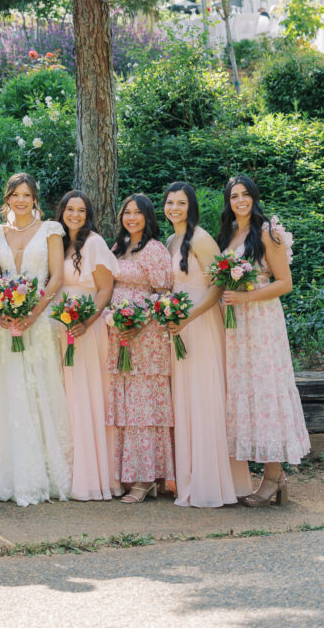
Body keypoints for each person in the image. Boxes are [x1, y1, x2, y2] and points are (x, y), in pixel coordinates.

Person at [0, 173, 72, 506]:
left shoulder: (51, 231)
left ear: (35, 199)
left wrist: (32, 314)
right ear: (7, 199)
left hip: (40, 322)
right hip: (4, 326)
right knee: (9, 390)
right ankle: (7, 474)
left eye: (27, 195)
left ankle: (43, 474)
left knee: (38, 389)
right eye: (15, 194)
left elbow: (57, 277)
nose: (21, 200)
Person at [217, 174, 309, 505]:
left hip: (261, 323)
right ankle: (267, 476)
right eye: (233, 196)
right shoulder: (229, 234)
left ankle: (273, 477)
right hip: (235, 326)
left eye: (245, 194)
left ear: (254, 197)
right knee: (244, 391)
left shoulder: (269, 233)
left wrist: (246, 298)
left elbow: (285, 283)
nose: (240, 200)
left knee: (263, 388)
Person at [163, 181, 237, 508]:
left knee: (203, 396)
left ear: (191, 207)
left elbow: (219, 286)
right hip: (178, 325)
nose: (174, 208)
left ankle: (211, 483)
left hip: (201, 322)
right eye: (170, 203)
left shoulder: (201, 238)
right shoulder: (170, 240)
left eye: (181, 203)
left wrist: (188, 316)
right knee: (185, 398)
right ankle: (188, 477)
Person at [107, 193, 174, 503]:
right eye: (127, 212)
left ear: (148, 217)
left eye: (138, 213)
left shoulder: (154, 249)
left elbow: (163, 294)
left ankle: (146, 478)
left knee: (143, 407)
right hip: (120, 336)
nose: (131, 217)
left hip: (146, 337)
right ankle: (130, 474)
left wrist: (137, 322)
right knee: (127, 406)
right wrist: (114, 318)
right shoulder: (119, 248)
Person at [56, 190, 119, 501]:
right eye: (70, 209)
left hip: (85, 327)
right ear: (62, 211)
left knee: (85, 395)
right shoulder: (59, 242)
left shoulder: (94, 243)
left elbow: (105, 290)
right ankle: (66, 471)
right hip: (60, 324)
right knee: (66, 397)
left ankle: (91, 476)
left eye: (81, 210)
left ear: (88, 214)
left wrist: (86, 321)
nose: (75, 215)